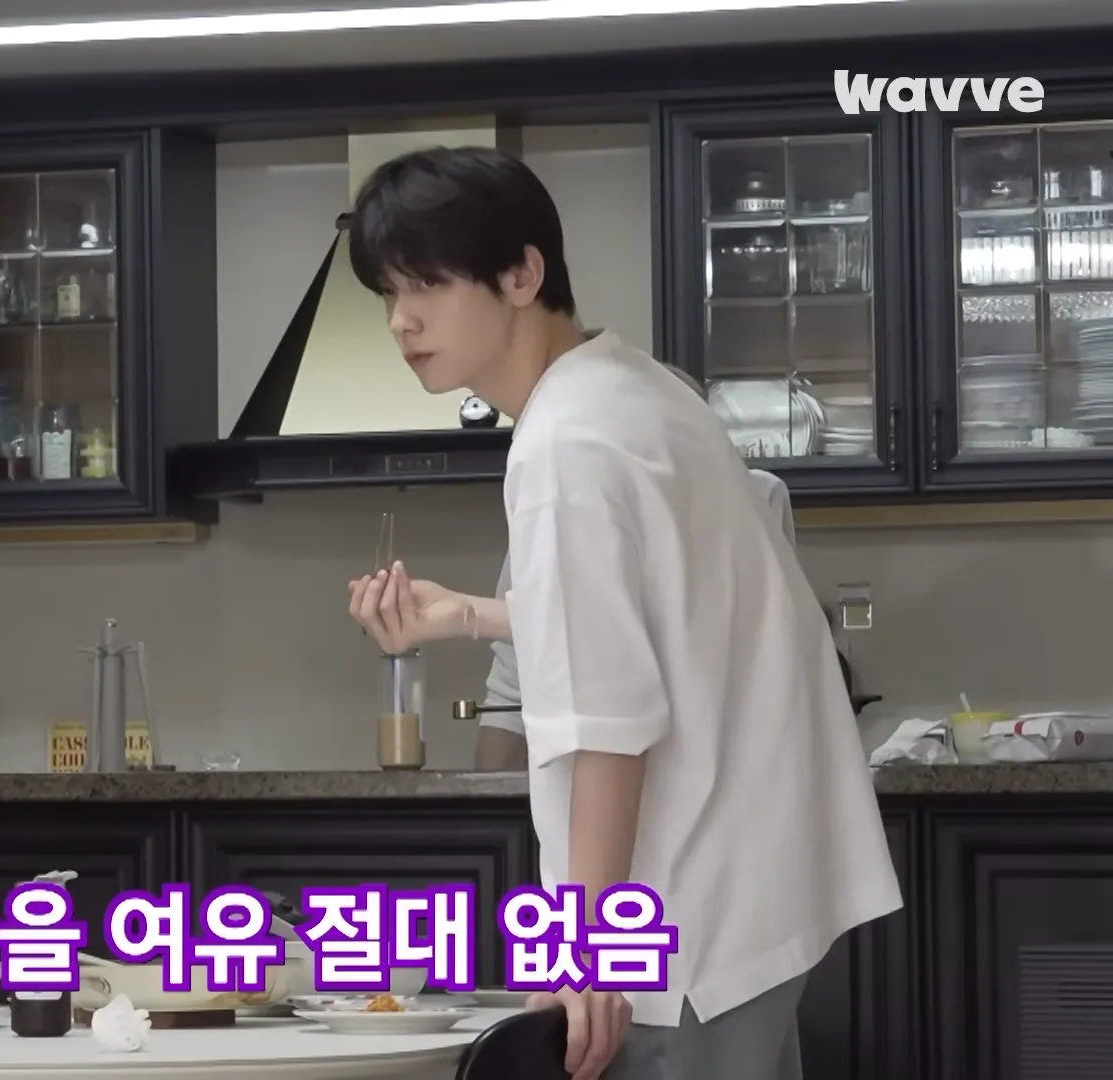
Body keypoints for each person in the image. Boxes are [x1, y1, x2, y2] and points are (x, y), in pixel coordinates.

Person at [341, 146, 899, 1080]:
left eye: (427, 284)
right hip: (751, 901)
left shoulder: (565, 445)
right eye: (388, 294)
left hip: (684, 923)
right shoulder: (639, 390)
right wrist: (473, 615)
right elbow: (675, 617)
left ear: (521, 274)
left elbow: (610, 718)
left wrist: (591, 945)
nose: (402, 319)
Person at [474, 365, 799, 773]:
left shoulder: (754, 503)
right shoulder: (560, 504)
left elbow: (773, 659)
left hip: (727, 761)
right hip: (594, 769)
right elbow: (512, 676)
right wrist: (488, 794)